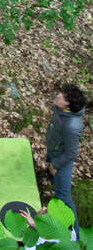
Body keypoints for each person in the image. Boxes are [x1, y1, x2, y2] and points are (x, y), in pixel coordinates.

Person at [46, 83, 86, 237]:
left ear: (69, 105)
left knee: (64, 196)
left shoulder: (72, 126)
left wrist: (55, 165)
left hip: (61, 161)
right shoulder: (61, 110)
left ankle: (75, 233)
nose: (58, 96)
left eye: (63, 97)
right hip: (54, 151)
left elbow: (71, 153)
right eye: (61, 93)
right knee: (52, 177)